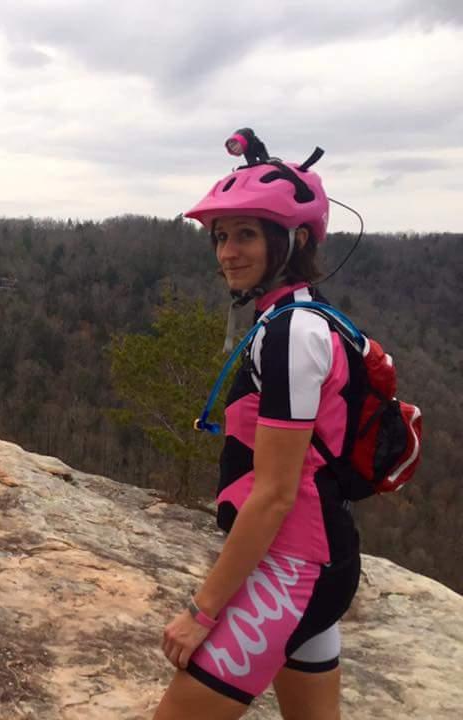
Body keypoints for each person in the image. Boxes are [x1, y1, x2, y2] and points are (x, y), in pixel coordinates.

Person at [153, 129, 361, 720]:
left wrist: (202, 611)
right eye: (221, 236)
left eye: (245, 234)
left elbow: (274, 495)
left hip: (294, 566)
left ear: (294, 240)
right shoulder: (299, 317)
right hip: (311, 561)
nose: (227, 252)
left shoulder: (292, 332)